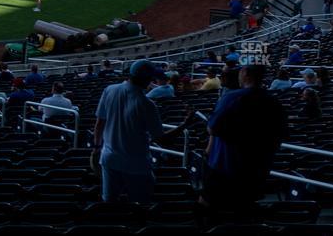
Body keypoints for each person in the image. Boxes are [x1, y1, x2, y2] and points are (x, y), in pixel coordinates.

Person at [92, 60, 197, 203]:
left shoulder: (109, 90)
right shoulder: (147, 104)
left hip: (109, 158)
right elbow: (162, 140)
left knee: (110, 204)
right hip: (137, 164)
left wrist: (97, 147)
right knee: (140, 204)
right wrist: (185, 124)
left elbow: (99, 123)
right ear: (147, 79)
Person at [202, 64, 288, 211]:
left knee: (210, 208)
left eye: (241, 73)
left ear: (247, 74)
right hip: (256, 170)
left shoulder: (232, 97)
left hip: (225, 166)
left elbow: (212, 128)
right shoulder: (273, 101)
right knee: (243, 211)